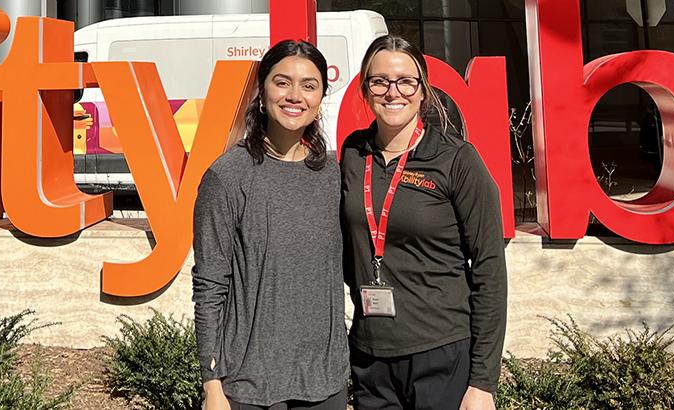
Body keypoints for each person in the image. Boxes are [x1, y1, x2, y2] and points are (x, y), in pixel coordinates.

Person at [339, 34, 508, 410]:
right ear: (366, 91)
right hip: (371, 355)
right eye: (379, 81)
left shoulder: (456, 160)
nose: (392, 92)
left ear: (422, 91)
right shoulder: (354, 153)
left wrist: (483, 382)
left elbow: (489, 268)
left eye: (405, 81)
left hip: (441, 355)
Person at [192, 39, 349, 410]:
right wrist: (211, 383)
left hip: (325, 382)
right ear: (261, 92)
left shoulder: (332, 175)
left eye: (308, 85)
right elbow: (210, 284)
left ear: (320, 98)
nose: (295, 95)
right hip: (249, 385)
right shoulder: (227, 176)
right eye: (282, 82)